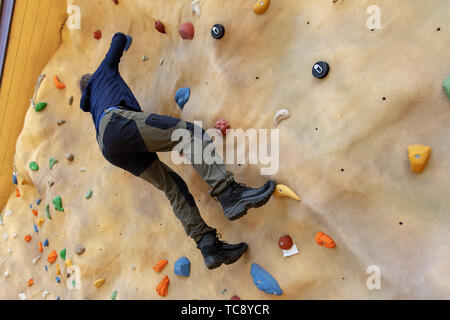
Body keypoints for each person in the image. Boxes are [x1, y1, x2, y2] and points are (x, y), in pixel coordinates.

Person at [79, 32, 275, 270]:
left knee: (172, 186)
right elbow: (117, 40)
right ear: (91, 80)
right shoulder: (101, 74)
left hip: (109, 148)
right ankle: (229, 194)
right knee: (189, 134)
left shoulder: (91, 106)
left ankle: (209, 245)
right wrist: (126, 40)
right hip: (117, 124)